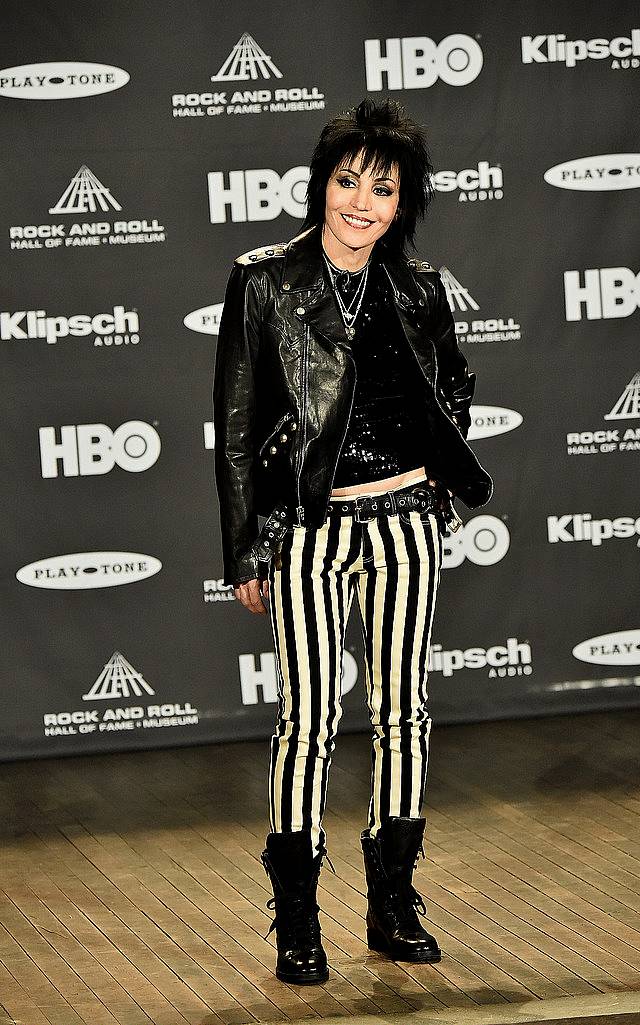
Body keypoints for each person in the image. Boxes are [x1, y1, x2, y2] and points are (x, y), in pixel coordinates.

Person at [213, 98, 493, 985]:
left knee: (403, 710)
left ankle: (390, 901)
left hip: (404, 523)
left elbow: (453, 384)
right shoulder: (262, 280)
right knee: (307, 719)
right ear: (321, 183)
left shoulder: (418, 285)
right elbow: (234, 422)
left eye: (382, 189)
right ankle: (297, 917)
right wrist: (245, 547)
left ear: (402, 202)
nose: (360, 203)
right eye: (347, 182)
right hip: (305, 531)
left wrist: (438, 494)